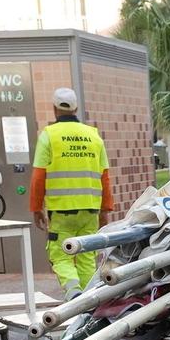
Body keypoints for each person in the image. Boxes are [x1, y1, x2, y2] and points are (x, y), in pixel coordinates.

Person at [28, 86, 115, 294]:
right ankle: (89, 303)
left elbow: (39, 177)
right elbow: (105, 177)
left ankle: (74, 293)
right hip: (90, 211)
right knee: (86, 257)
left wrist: (36, 208)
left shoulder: (49, 135)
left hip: (62, 212)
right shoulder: (94, 137)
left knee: (60, 255)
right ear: (76, 108)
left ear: (54, 109)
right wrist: (105, 210)